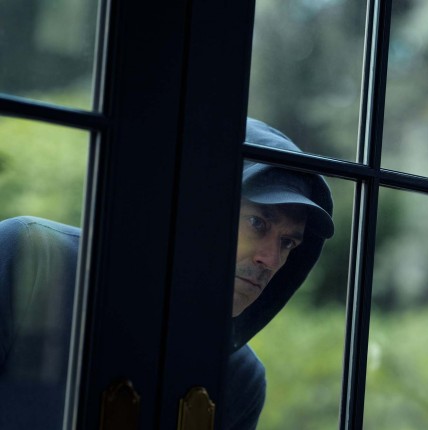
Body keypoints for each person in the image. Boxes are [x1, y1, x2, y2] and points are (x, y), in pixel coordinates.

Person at [0, 117, 334, 429]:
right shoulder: (31, 258)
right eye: (257, 223)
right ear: (193, 206)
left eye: (288, 243)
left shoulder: (239, 380)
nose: (271, 260)